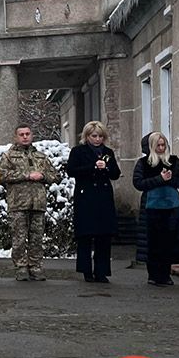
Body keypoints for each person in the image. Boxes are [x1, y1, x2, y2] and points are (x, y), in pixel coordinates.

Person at [0, 125, 59, 281]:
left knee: (37, 238)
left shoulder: (40, 156)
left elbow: (54, 175)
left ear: (32, 135)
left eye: (27, 134)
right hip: (18, 203)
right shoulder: (8, 156)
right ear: (16, 137)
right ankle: (20, 267)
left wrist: (43, 175)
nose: (25, 137)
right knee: (19, 238)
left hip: (38, 203)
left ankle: (35, 266)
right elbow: (3, 175)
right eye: (21, 134)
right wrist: (27, 175)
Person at [66, 121, 121, 283]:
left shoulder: (108, 152)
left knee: (103, 237)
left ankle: (101, 271)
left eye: (100, 136)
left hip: (103, 198)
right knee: (85, 236)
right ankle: (86, 271)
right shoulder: (78, 151)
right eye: (94, 136)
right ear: (87, 136)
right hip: (86, 197)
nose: (97, 139)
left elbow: (116, 174)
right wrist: (92, 167)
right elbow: (71, 170)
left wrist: (107, 168)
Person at [134, 132, 179, 287]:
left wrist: (170, 178)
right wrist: (159, 179)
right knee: (153, 242)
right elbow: (138, 183)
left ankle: (165, 274)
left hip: (171, 206)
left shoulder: (173, 161)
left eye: (163, 144)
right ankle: (153, 274)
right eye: (158, 145)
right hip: (151, 207)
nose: (161, 148)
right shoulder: (144, 163)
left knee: (169, 241)